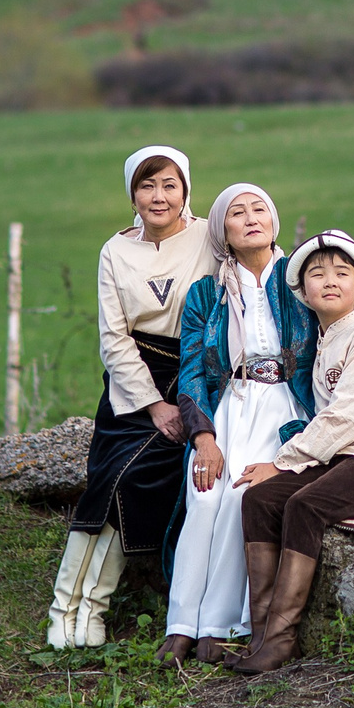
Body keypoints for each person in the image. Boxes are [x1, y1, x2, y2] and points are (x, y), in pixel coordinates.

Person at [162, 191, 354, 665]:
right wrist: (203, 436)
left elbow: (348, 315)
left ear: (274, 222)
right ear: (222, 230)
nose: (251, 219)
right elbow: (192, 369)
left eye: (260, 210)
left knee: (240, 494)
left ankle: (221, 625)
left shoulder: (296, 280)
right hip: (229, 406)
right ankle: (180, 624)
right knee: (206, 493)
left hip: (287, 408)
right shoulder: (206, 293)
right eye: (237, 213)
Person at [230, 227, 354, 675]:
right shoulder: (318, 340)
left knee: (306, 505)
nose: (329, 280)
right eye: (316, 274)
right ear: (302, 291)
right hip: (340, 454)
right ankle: (260, 635)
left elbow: (348, 418)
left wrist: (282, 461)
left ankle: (281, 640)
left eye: (341, 273)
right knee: (258, 499)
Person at [47, 144, 211, 650]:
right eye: (146, 185)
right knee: (107, 476)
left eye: (169, 185)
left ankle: (85, 607)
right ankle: (67, 613)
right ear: (132, 194)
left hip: (194, 375)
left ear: (185, 189)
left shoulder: (210, 236)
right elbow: (114, 339)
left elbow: (274, 270)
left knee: (133, 474)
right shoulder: (114, 250)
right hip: (134, 380)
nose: (158, 196)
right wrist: (151, 404)